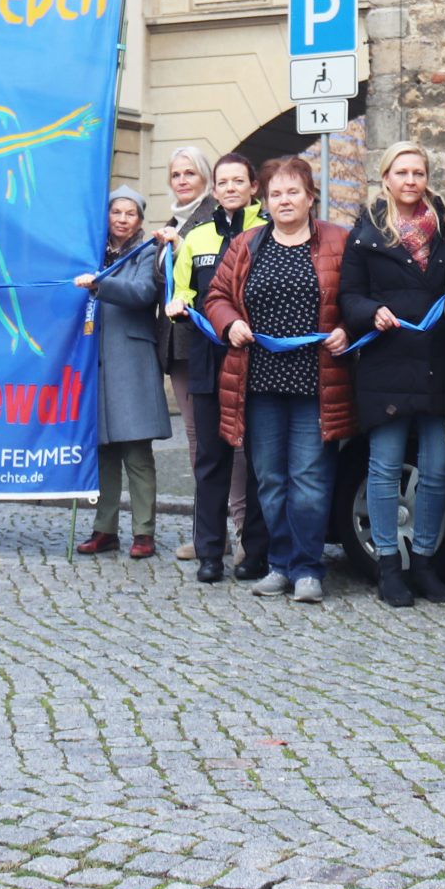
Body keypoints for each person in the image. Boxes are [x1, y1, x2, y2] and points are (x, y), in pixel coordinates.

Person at [206, 156, 352, 605]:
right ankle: (279, 564)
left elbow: (359, 297)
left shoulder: (339, 242)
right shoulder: (249, 244)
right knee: (269, 478)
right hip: (260, 381)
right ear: (264, 201)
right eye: (275, 193)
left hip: (317, 382)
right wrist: (229, 323)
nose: (284, 200)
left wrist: (350, 327)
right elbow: (216, 295)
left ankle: (309, 569)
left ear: (311, 196)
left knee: (309, 478)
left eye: (293, 191)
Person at [339, 141, 445, 608]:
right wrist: (372, 312)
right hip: (387, 364)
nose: (411, 180)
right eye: (402, 172)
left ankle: (426, 561)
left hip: (437, 362)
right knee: (385, 468)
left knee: (436, 469)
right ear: (386, 178)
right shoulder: (366, 233)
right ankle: (389, 564)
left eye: (418, 172)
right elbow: (348, 298)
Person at [169, 152, 269, 583]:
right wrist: (177, 305)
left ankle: (255, 552)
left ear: (252, 188)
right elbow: (184, 289)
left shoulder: (268, 232)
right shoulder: (198, 237)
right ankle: (210, 552)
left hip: (259, 360)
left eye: (238, 181)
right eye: (223, 182)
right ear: (215, 190)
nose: (230, 188)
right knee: (212, 459)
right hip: (209, 359)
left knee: (259, 461)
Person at [74, 186, 171, 557]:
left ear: (140, 220)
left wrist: (100, 284)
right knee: (104, 451)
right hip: (95, 357)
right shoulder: (91, 252)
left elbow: (142, 293)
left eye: (130, 213)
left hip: (131, 357)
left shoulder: (147, 252)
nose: (122, 219)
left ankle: (144, 531)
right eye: (117, 212)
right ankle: (105, 528)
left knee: (137, 451)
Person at [154, 144, 219, 559]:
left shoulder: (211, 218)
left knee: (217, 442)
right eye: (176, 175)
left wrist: (179, 247)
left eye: (189, 174)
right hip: (176, 345)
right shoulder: (168, 222)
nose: (182, 181)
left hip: (204, 340)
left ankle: (230, 530)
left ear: (204, 178)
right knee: (196, 440)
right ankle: (206, 533)